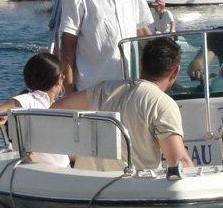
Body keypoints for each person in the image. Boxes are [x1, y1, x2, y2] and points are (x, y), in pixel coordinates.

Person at [53, 36, 194, 171]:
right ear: (175, 71)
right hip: (133, 186)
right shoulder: (162, 104)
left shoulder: (103, 89)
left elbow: (57, 108)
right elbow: (179, 162)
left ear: (141, 63)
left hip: (89, 184)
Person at [0, 51, 69, 167]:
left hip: (46, 169)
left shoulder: (42, 102)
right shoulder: (29, 100)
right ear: (58, 80)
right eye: (62, 77)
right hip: (55, 169)